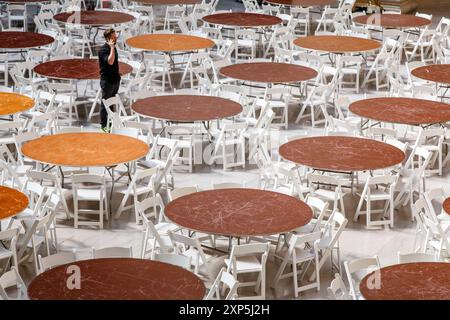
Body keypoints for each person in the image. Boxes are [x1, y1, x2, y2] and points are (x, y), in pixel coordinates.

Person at [98, 28, 120, 132]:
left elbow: (114, 64)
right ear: (108, 39)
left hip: (115, 80)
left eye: (115, 36)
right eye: (113, 37)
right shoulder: (103, 50)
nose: (115, 38)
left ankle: (111, 123)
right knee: (105, 103)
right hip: (107, 81)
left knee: (112, 102)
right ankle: (103, 126)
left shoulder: (113, 48)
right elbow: (110, 61)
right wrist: (111, 47)